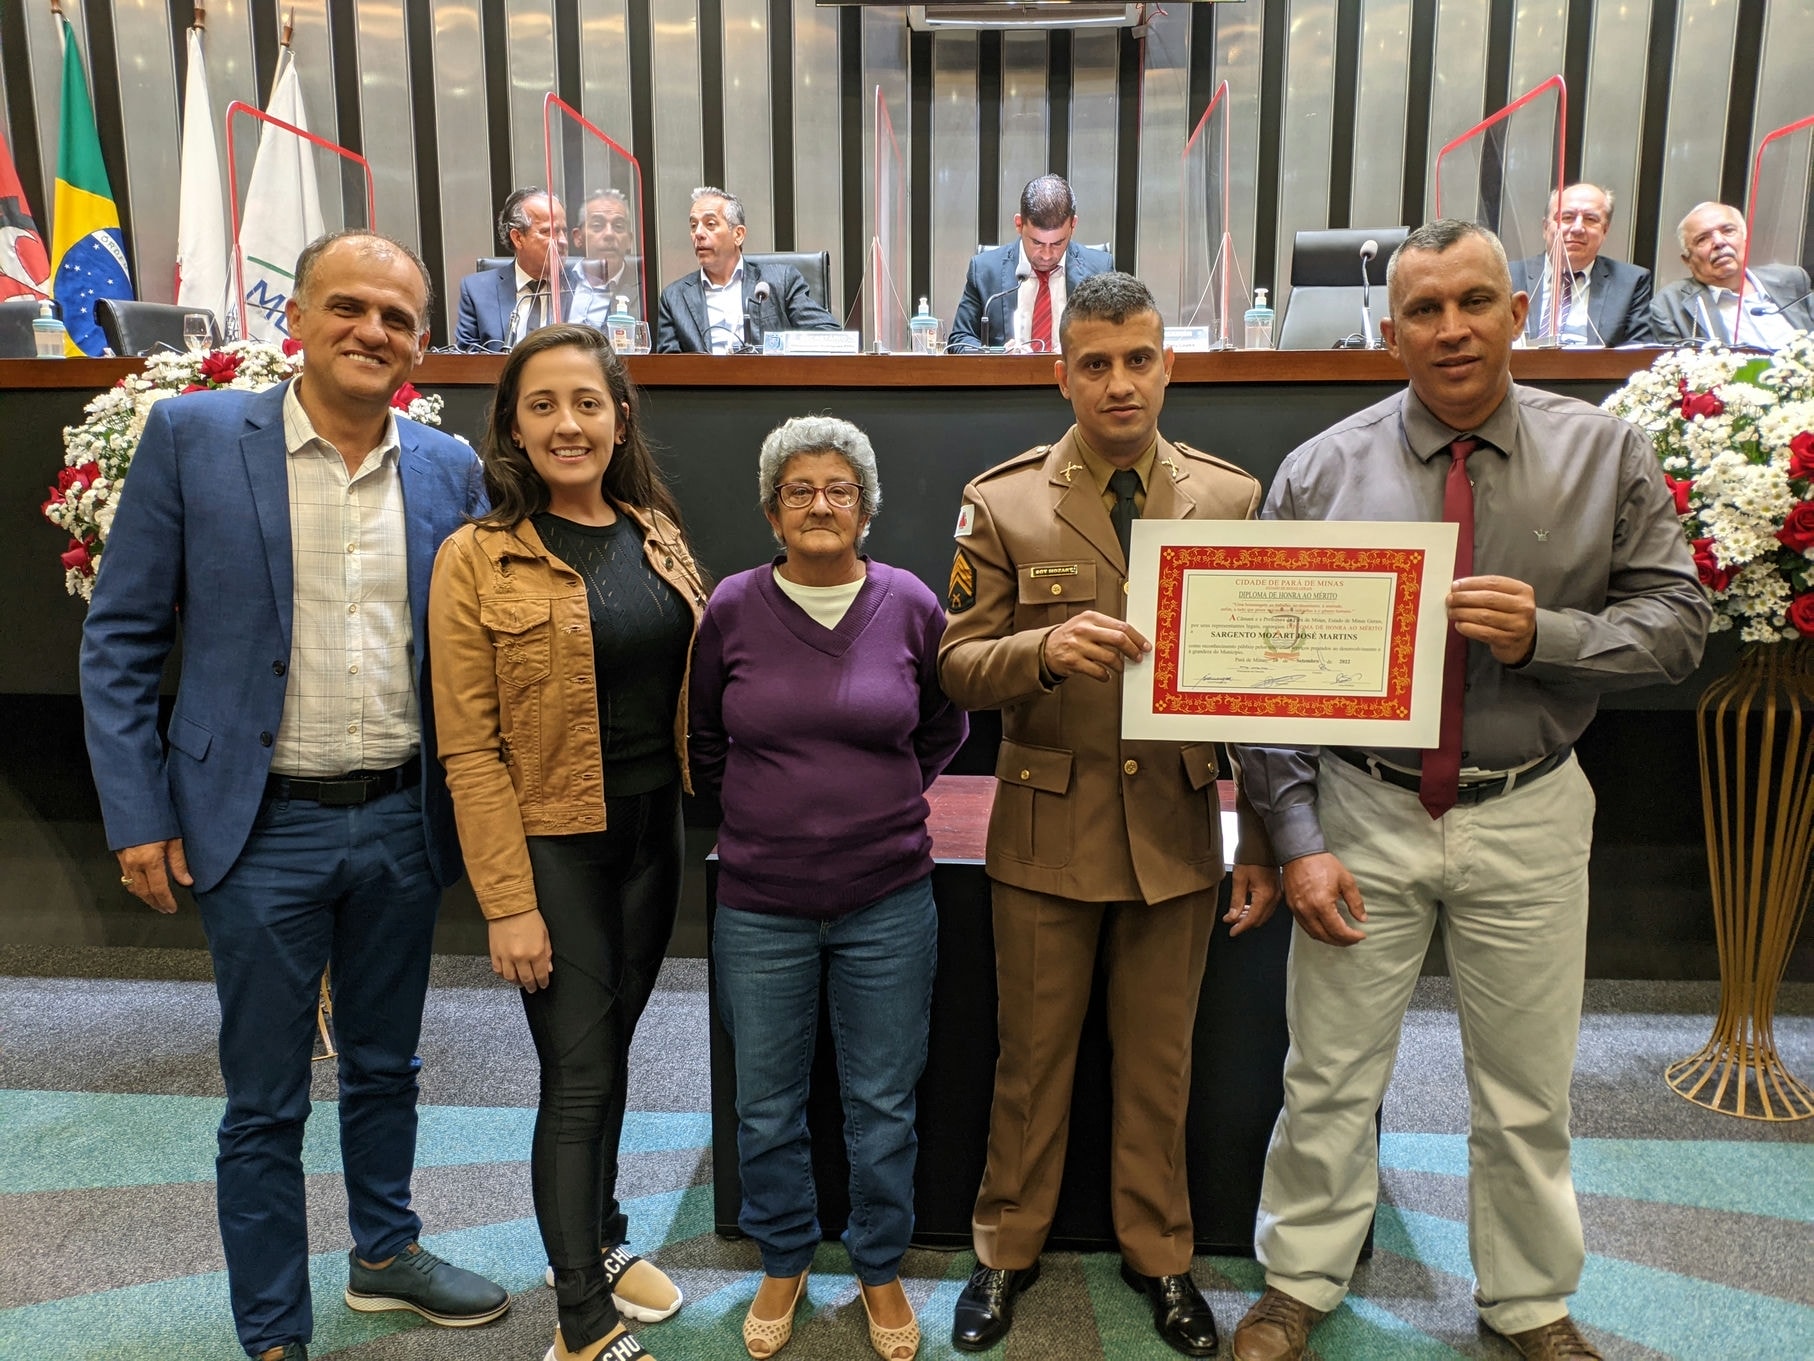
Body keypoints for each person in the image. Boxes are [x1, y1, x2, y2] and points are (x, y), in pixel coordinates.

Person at [1227, 220, 1710, 1361]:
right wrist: (1294, 834)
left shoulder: (1603, 453)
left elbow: (1678, 623)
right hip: (1361, 807)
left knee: (1527, 1085)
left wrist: (1551, 635)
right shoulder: (1320, 470)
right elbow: (1261, 679)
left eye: (1474, 301)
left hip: (1529, 803)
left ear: (1517, 311)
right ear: (1388, 331)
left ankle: (1528, 1301)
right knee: (1328, 1072)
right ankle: (1299, 1279)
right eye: (1424, 309)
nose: (1451, 329)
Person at [79, 229, 509, 1361]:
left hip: (402, 818)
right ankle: (273, 1329)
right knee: (265, 1097)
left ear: (422, 344)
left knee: (386, 1064)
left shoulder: (447, 470)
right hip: (256, 821)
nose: (372, 330)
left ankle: (385, 1252)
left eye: (397, 317)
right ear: (299, 318)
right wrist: (137, 812)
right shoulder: (193, 437)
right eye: (348, 306)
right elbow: (120, 636)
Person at [938, 272, 1280, 1359]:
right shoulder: (1004, 501)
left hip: (1174, 830)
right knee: (1030, 1062)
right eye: (1095, 363)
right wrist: (1041, 649)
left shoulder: (1229, 498)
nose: (1118, 382)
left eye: (1138, 359)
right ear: (1062, 374)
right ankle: (1004, 1247)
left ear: (1168, 366)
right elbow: (954, 665)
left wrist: (1264, 835)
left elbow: (1260, 686)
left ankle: (1160, 1253)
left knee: (1158, 1063)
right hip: (1049, 828)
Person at [429, 324, 707, 1361]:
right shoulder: (476, 557)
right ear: (511, 426)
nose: (567, 424)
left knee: (610, 1050)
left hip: (653, 834)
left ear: (619, 419)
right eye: (541, 405)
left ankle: (597, 1233)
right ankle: (581, 1318)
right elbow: (469, 748)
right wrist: (507, 902)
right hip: (556, 847)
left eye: (587, 402)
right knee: (579, 1072)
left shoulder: (654, 532)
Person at [689, 415, 967, 1361]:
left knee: (882, 1102)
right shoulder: (732, 607)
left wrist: (874, 803)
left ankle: (879, 1266)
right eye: (799, 490)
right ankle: (785, 1256)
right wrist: (768, 815)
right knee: (766, 1105)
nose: (819, 504)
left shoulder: (909, 603)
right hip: (760, 902)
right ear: (772, 512)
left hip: (888, 898)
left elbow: (943, 724)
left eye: (838, 489)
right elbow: (705, 739)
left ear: (866, 507)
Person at [655, 187, 839, 353]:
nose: (698, 234)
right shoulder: (675, 298)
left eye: (710, 224)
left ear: (738, 234)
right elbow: (666, 368)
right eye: (693, 226)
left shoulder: (780, 281)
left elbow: (829, 335)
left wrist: (779, 349)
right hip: (705, 380)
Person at [946, 174, 1114, 352]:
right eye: (1037, 243)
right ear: (1019, 224)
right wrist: (998, 355)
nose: (1047, 255)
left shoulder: (1100, 271)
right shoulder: (984, 270)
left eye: (1057, 243)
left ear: (1073, 225)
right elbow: (960, 340)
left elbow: (1118, 338)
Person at [1507, 182, 1655, 346]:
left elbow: (1639, 352)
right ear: (1545, 227)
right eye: (1567, 217)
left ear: (1605, 231)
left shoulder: (1630, 282)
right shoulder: (1509, 276)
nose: (1577, 228)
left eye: (1590, 219)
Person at [1650, 200, 1814, 347]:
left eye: (1728, 230)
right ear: (1688, 260)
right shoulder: (1671, 303)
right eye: (1702, 239)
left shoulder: (1790, 280)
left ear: (1744, 239)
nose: (1719, 242)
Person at [454, 187, 576, 350]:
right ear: (518, 238)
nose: (562, 241)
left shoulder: (583, 288)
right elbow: (467, 358)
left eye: (563, 231)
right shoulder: (476, 291)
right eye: (549, 232)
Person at [569, 187, 642, 323]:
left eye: (618, 226)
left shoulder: (645, 293)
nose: (609, 234)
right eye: (597, 225)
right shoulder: (558, 280)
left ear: (629, 240)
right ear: (578, 237)